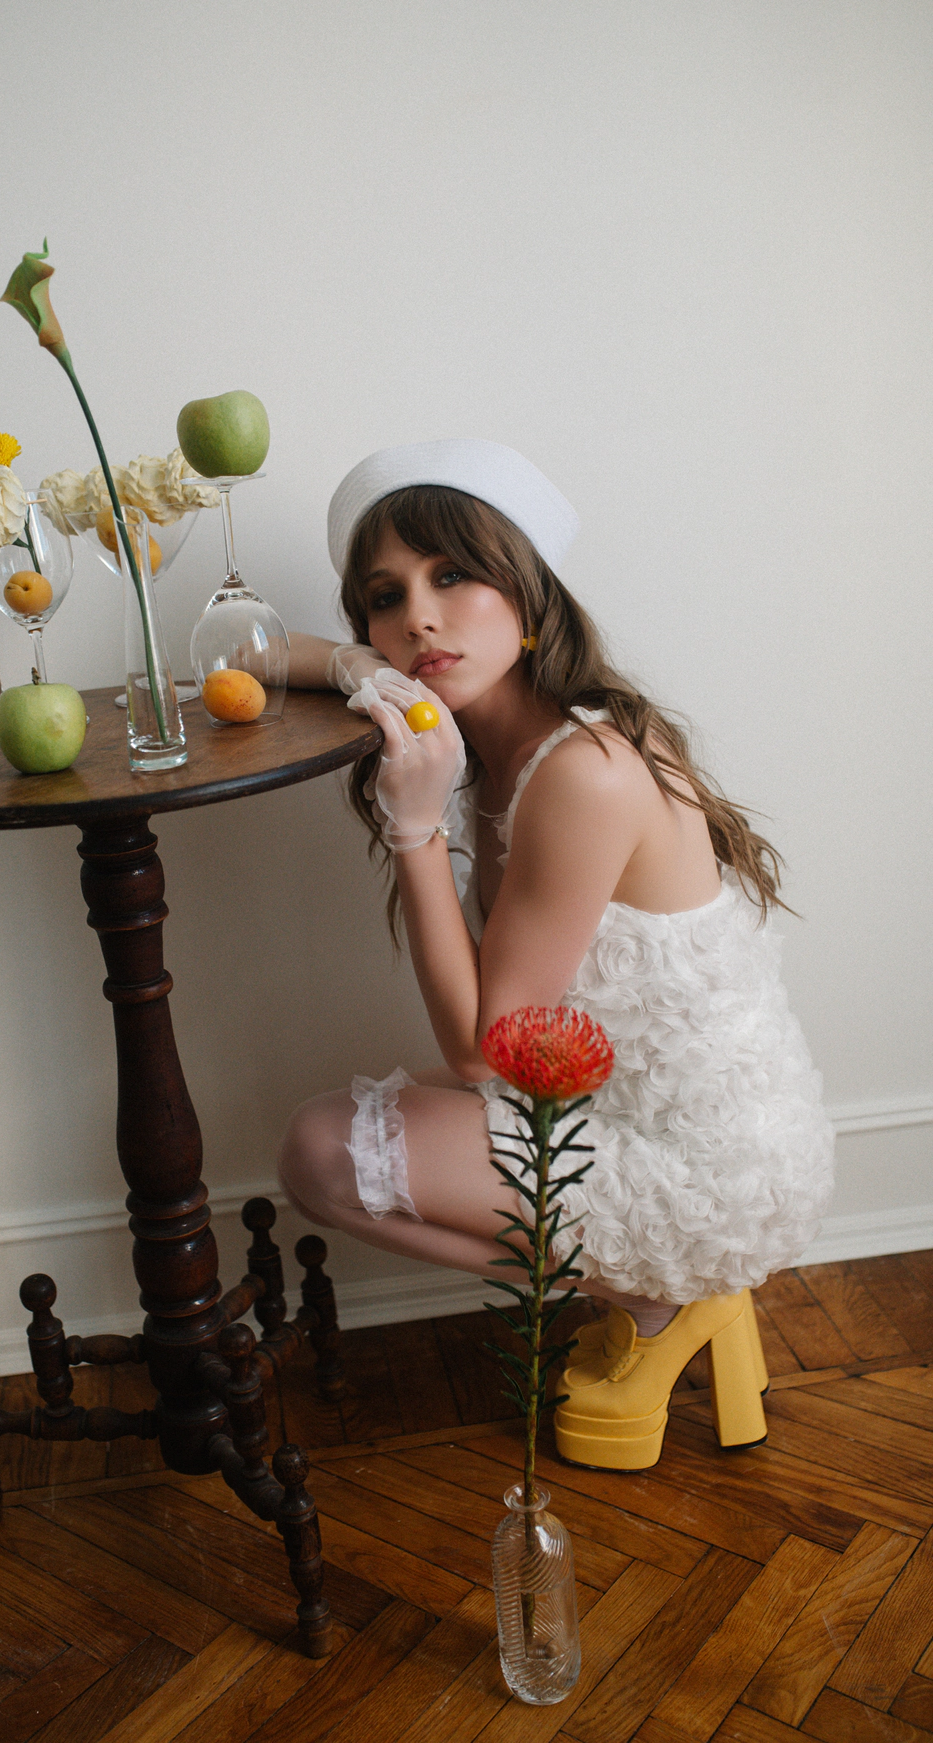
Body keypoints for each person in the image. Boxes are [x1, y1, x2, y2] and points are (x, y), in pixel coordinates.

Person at [279, 440, 834, 1469]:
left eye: (453, 575)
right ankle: (659, 1295)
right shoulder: (503, 743)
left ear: (528, 594)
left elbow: (483, 1050)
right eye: (385, 598)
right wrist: (359, 669)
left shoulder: (584, 771)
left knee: (323, 1153)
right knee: (326, 1148)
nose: (420, 618)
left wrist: (414, 828)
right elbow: (245, 653)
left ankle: (661, 1295)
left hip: (707, 1171)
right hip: (613, 1109)